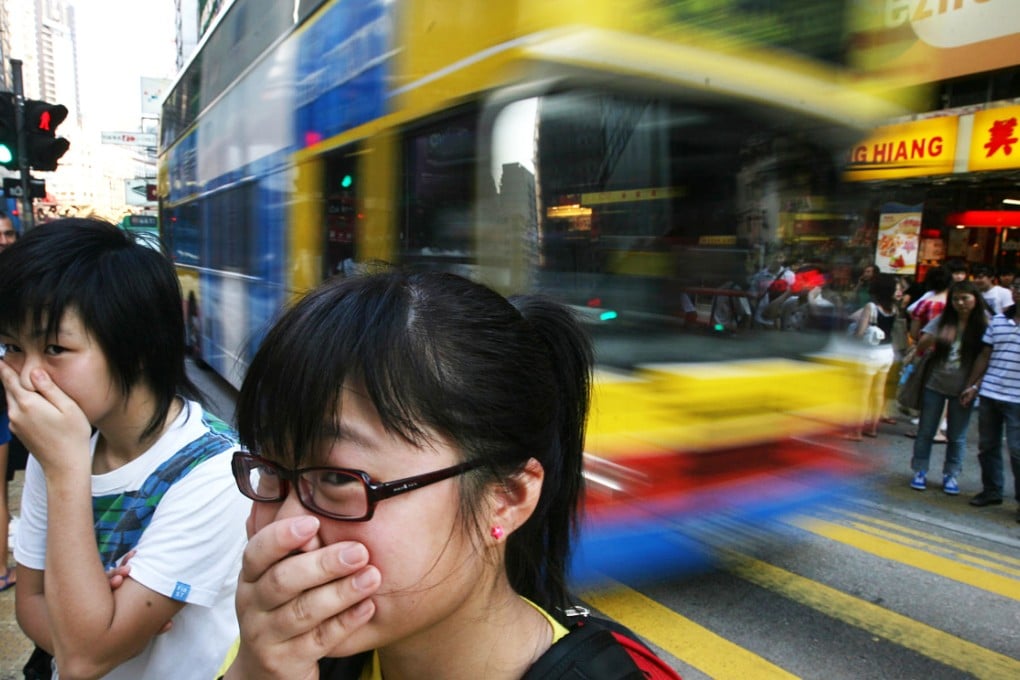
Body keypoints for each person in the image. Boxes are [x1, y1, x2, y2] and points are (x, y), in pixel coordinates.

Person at [218, 271, 677, 679]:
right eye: (271, 470)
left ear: (507, 497)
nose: (282, 530)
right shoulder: (283, 656)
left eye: (339, 479)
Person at [0, 219, 250, 679]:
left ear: (134, 348)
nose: (28, 376)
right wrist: (102, 626)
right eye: (12, 347)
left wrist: (96, 637)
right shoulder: (59, 446)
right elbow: (31, 608)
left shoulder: (216, 472)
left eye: (54, 348)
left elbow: (82, 660)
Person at [906, 280, 988, 494]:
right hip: (935, 382)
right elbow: (922, 341)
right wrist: (931, 340)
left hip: (964, 386)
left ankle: (951, 474)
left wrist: (974, 386)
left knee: (957, 435)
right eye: (955, 299)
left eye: (965, 298)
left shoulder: (985, 323)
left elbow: (987, 358)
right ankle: (920, 470)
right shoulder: (944, 320)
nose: (960, 303)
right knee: (926, 429)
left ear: (975, 300)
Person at [962, 278, 1020, 522]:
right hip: (991, 391)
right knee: (988, 445)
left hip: (1017, 398)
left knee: (1017, 450)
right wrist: (972, 385)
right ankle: (992, 490)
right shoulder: (998, 320)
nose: (1018, 291)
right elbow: (985, 354)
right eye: (1017, 287)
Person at [845, 273, 898, 440]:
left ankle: (856, 431)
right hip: (887, 352)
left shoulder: (871, 307)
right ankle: (873, 428)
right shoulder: (894, 308)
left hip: (870, 353)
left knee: (863, 393)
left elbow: (860, 332)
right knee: (878, 392)